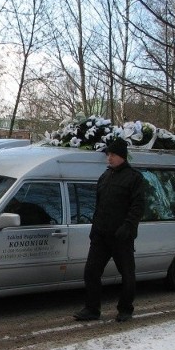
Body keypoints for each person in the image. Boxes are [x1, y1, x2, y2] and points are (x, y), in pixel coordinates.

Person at [74, 137, 145, 322]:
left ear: (122, 155)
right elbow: (99, 205)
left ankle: (125, 309)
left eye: (112, 154)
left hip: (122, 237)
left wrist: (127, 227)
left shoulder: (134, 178)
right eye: (108, 154)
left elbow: (137, 207)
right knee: (91, 272)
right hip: (101, 235)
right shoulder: (105, 176)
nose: (109, 158)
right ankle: (92, 309)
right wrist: (94, 229)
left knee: (127, 275)